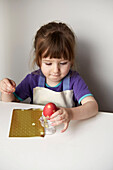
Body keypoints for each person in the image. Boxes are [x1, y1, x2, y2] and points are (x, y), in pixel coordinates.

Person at [0, 22, 98, 133]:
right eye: (48, 63)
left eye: (63, 63)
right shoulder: (33, 80)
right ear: (39, 61)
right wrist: (6, 91)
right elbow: (9, 104)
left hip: (67, 133)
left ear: (71, 61)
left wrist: (70, 113)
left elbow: (93, 107)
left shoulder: (74, 80)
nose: (56, 70)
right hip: (37, 132)